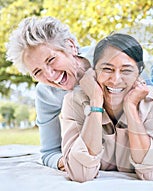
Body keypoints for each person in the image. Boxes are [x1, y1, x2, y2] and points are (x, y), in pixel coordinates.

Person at [60, 33, 153, 182]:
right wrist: (96, 102)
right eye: (107, 69)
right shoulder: (73, 101)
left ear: (139, 72)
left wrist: (130, 107)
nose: (115, 80)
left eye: (126, 70)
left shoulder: (151, 101)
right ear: (94, 70)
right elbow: (80, 174)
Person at [6, 16, 92, 170]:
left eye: (51, 59)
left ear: (71, 46)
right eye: (37, 71)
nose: (51, 75)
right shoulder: (45, 93)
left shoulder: (109, 62)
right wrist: (67, 162)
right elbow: (49, 152)